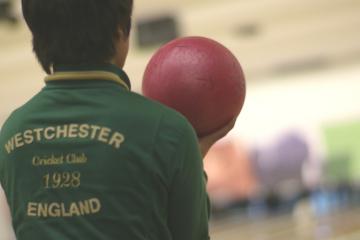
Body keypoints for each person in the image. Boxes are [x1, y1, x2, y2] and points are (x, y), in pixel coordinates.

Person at [0, 0, 235, 239]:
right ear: (122, 31)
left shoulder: (10, 134)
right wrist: (190, 158)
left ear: (35, 35)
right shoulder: (167, 130)